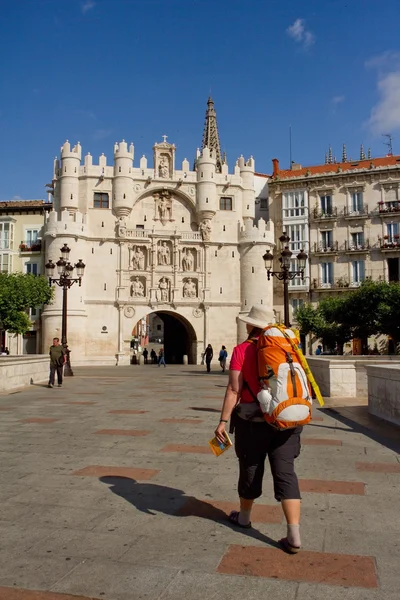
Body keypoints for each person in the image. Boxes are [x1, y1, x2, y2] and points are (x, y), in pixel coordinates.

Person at [214, 305, 303, 554]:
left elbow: (234, 389)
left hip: (252, 421)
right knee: (286, 473)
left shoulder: (242, 349)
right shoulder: (289, 345)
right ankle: (294, 535)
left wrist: (222, 421)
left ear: (249, 325)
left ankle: (244, 517)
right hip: (287, 419)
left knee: (251, 465)